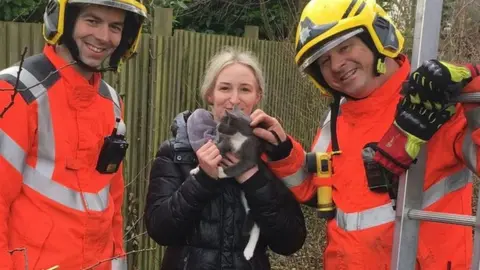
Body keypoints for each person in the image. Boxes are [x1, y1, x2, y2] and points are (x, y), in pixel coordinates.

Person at [247, 0, 480, 269]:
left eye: (344, 47)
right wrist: (283, 152)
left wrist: (474, 93)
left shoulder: (435, 102)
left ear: (377, 37)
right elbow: (318, 188)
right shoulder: (337, 119)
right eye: (324, 60)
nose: (336, 65)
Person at [0, 0, 147, 269]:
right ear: (63, 20)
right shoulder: (17, 91)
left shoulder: (111, 103)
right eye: (92, 21)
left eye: (115, 26)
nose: (103, 37)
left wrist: (116, 262)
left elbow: (111, 199)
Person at [144, 47, 307, 270]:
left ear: (257, 96)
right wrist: (202, 180)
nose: (234, 99)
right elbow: (159, 230)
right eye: (224, 88)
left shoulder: (270, 153)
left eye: (245, 89)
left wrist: (252, 178)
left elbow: (291, 241)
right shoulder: (177, 151)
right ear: (210, 94)